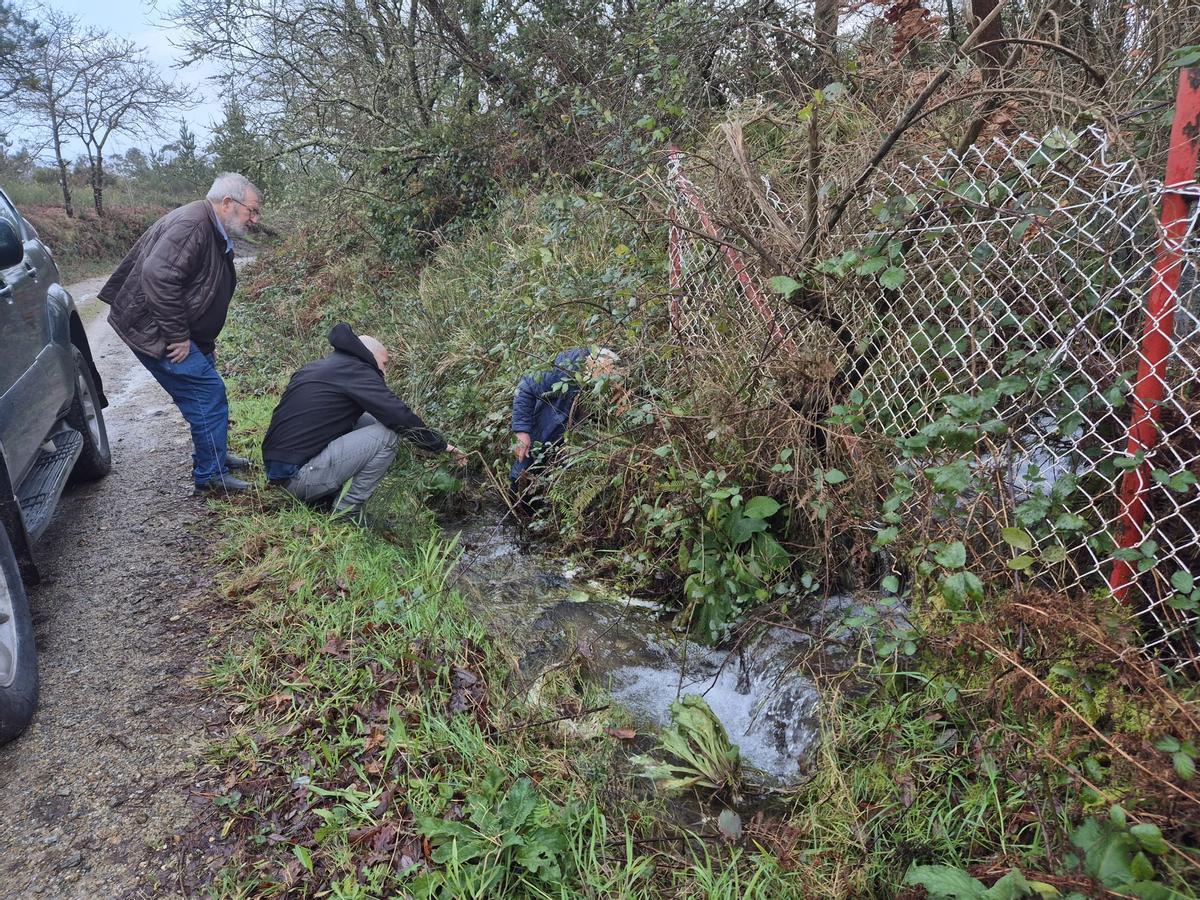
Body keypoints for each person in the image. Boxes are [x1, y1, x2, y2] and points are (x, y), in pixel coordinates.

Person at [100, 172, 262, 494]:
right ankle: (210, 477)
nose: (254, 219)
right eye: (251, 210)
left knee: (206, 389)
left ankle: (214, 455)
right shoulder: (193, 225)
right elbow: (158, 276)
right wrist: (177, 336)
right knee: (207, 393)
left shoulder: (211, 226)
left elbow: (198, 289)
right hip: (156, 330)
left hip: (175, 329)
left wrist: (202, 342)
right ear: (228, 203)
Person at [262, 323, 465, 521]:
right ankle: (346, 511)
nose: (385, 373)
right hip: (297, 478)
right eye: (384, 364)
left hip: (278, 472)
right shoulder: (357, 370)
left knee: (370, 420)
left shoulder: (319, 367)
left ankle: (323, 496)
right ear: (370, 356)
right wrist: (440, 446)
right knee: (388, 435)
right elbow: (398, 415)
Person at [510, 346, 621, 496]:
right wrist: (522, 431)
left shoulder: (618, 382)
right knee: (522, 471)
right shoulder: (566, 366)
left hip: (573, 442)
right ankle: (514, 498)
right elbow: (525, 388)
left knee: (547, 488)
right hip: (544, 425)